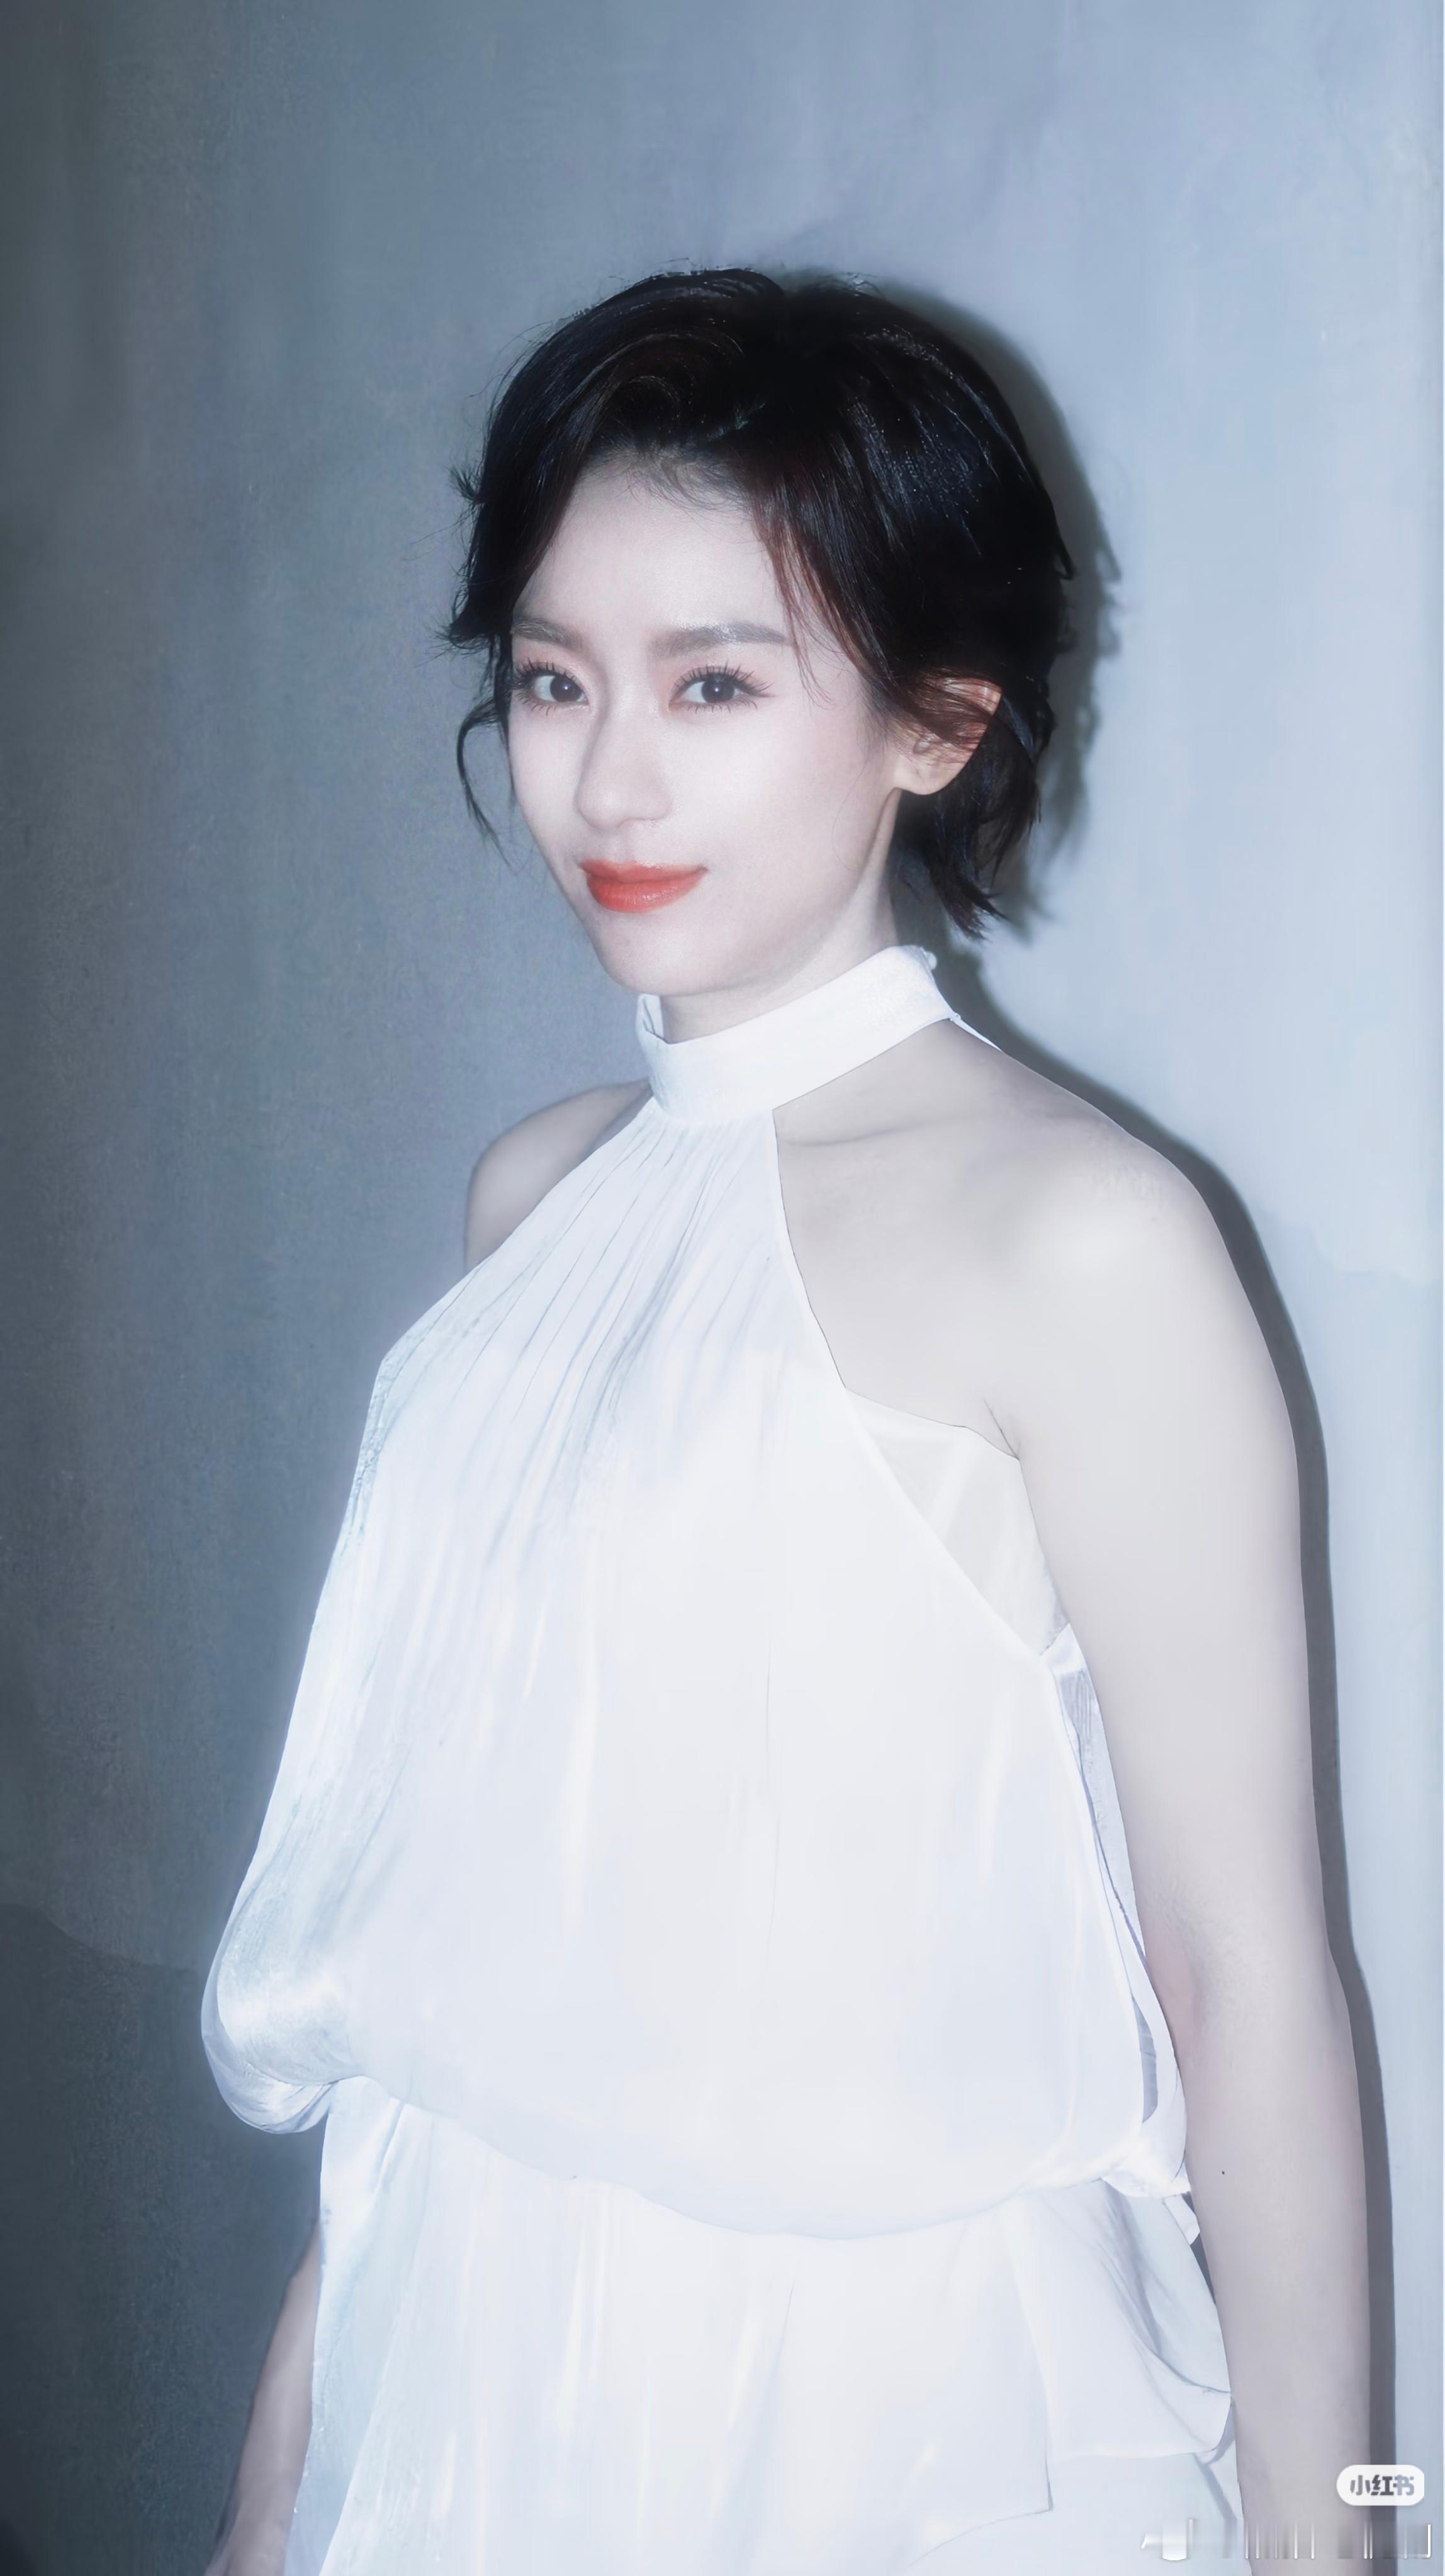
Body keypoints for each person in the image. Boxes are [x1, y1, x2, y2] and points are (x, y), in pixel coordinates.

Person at [202, 269, 1369, 2574]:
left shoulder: (1082, 1237)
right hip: (471, 2390)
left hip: (899, 2427)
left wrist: (1344, 2531)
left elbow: (1248, 1977)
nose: (608, 779)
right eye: (555, 678)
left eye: (714, 683)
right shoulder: (537, 1200)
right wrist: (277, 2489)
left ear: (939, 718)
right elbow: (466, 1949)